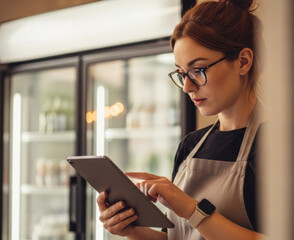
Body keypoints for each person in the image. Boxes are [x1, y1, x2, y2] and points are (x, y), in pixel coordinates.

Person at [96, 0, 267, 239]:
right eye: (182, 73)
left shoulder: (274, 147)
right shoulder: (190, 145)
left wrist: (190, 209)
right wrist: (133, 230)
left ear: (243, 61)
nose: (187, 87)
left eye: (198, 70)